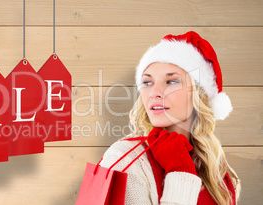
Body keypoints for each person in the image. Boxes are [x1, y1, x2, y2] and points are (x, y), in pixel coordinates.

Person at [98, 31, 241, 205]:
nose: (155, 93)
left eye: (171, 81)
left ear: (198, 94)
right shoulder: (124, 160)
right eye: (147, 82)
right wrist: (181, 173)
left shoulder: (220, 173)